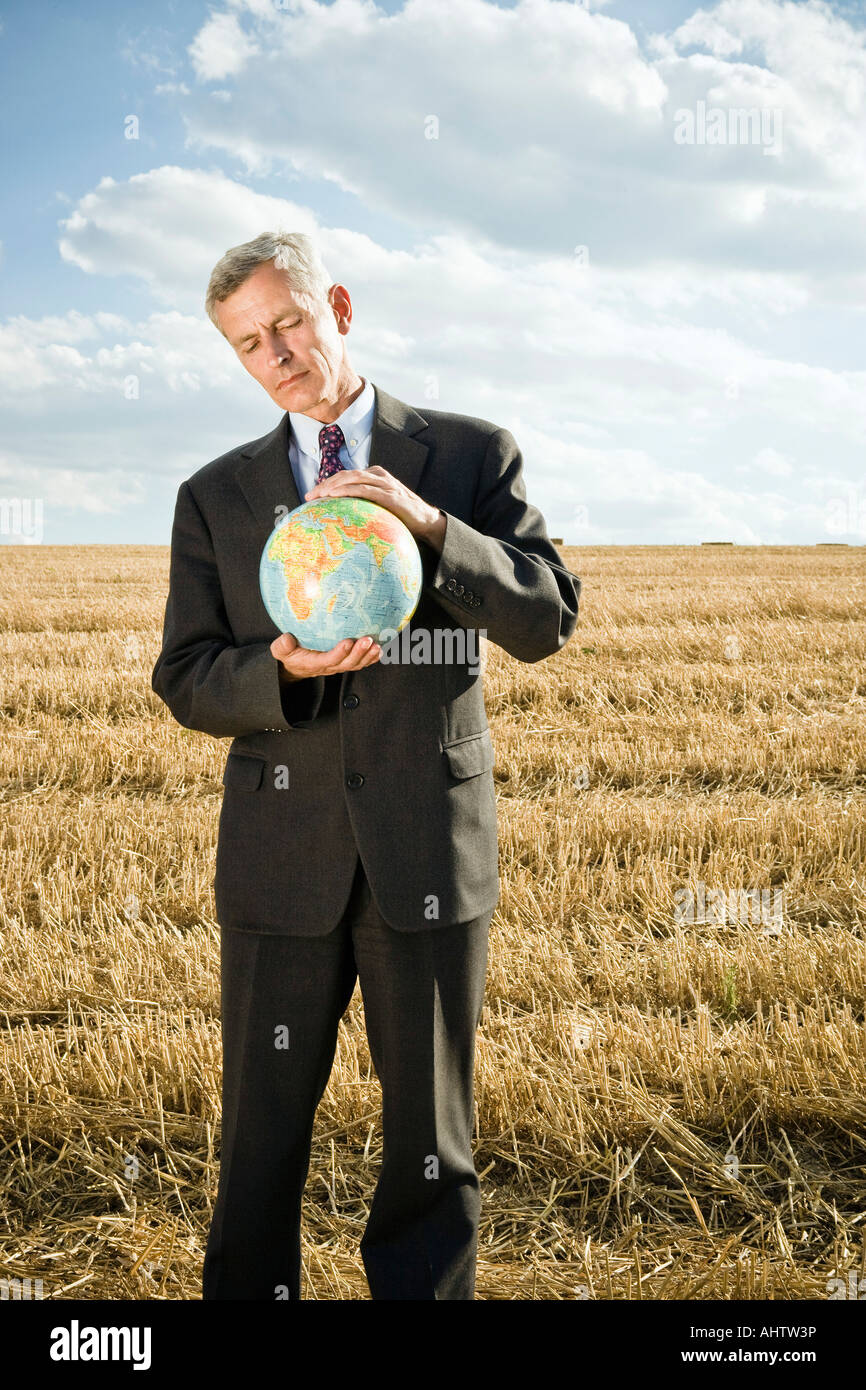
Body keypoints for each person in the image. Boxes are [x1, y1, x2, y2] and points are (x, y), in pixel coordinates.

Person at [151, 230, 581, 1300]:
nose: (277, 355)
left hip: (425, 852)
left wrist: (430, 525)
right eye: (249, 345)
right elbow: (188, 675)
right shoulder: (215, 495)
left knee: (430, 1151)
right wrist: (279, 670)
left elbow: (545, 618)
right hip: (278, 861)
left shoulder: (469, 456)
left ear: (334, 304)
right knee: (256, 1146)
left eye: (286, 323)